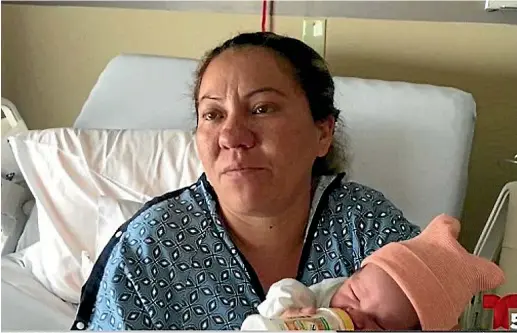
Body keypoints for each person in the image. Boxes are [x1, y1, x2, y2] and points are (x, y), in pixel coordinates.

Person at [71, 31, 421, 331]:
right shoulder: (152, 248)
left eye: (262, 108)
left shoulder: (365, 222)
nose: (232, 135)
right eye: (213, 114)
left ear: (322, 132)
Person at [250, 214, 505, 331]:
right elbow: (288, 289)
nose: (356, 316)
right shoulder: (324, 300)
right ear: (354, 276)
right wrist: (286, 312)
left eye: (381, 325)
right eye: (355, 295)